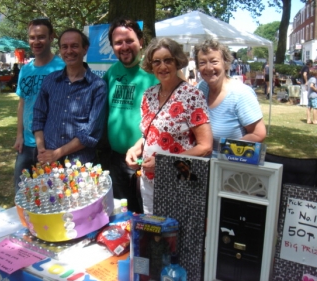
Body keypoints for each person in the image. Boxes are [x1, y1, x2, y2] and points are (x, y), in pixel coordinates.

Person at [126, 38, 212, 214]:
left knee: (175, 236)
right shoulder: (149, 95)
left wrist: (164, 163)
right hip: (149, 181)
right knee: (153, 233)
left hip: (179, 181)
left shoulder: (192, 96)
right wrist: (135, 149)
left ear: (177, 62)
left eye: (168, 60)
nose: (162, 66)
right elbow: (149, 134)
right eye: (157, 61)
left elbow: (206, 147)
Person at [103, 18, 159, 213]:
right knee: (120, 214)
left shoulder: (154, 72)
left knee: (145, 215)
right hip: (116, 160)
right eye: (118, 42)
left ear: (141, 41)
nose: (124, 46)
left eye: (129, 40)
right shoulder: (111, 73)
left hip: (145, 160)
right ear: (112, 46)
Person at [32, 28, 107, 166]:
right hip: (48, 161)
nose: (69, 51)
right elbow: (38, 116)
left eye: (74, 46)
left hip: (80, 165)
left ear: (85, 49)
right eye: (64, 47)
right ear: (60, 50)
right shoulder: (50, 81)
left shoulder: (97, 86)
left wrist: (57, 153)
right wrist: (42, 149)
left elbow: (91, 133)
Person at [13, 18, 65, 192]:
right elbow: (22, 103)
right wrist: (19, 135)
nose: (36, 42)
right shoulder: (25, 70)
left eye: (41, 37)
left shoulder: (62, 67)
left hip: (51, 144)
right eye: (32, 37)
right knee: (21, 193)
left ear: (51, 37)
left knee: (50, 195)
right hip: (27, 144)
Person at [195, 39, 266, 156]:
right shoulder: (201, 88)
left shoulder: (241, 94)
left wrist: (226, 151)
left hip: (229, 166)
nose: (208, 68)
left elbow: (258, 134)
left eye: (214, 61)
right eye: (202, 63)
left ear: (226, 63)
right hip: (202, 165)